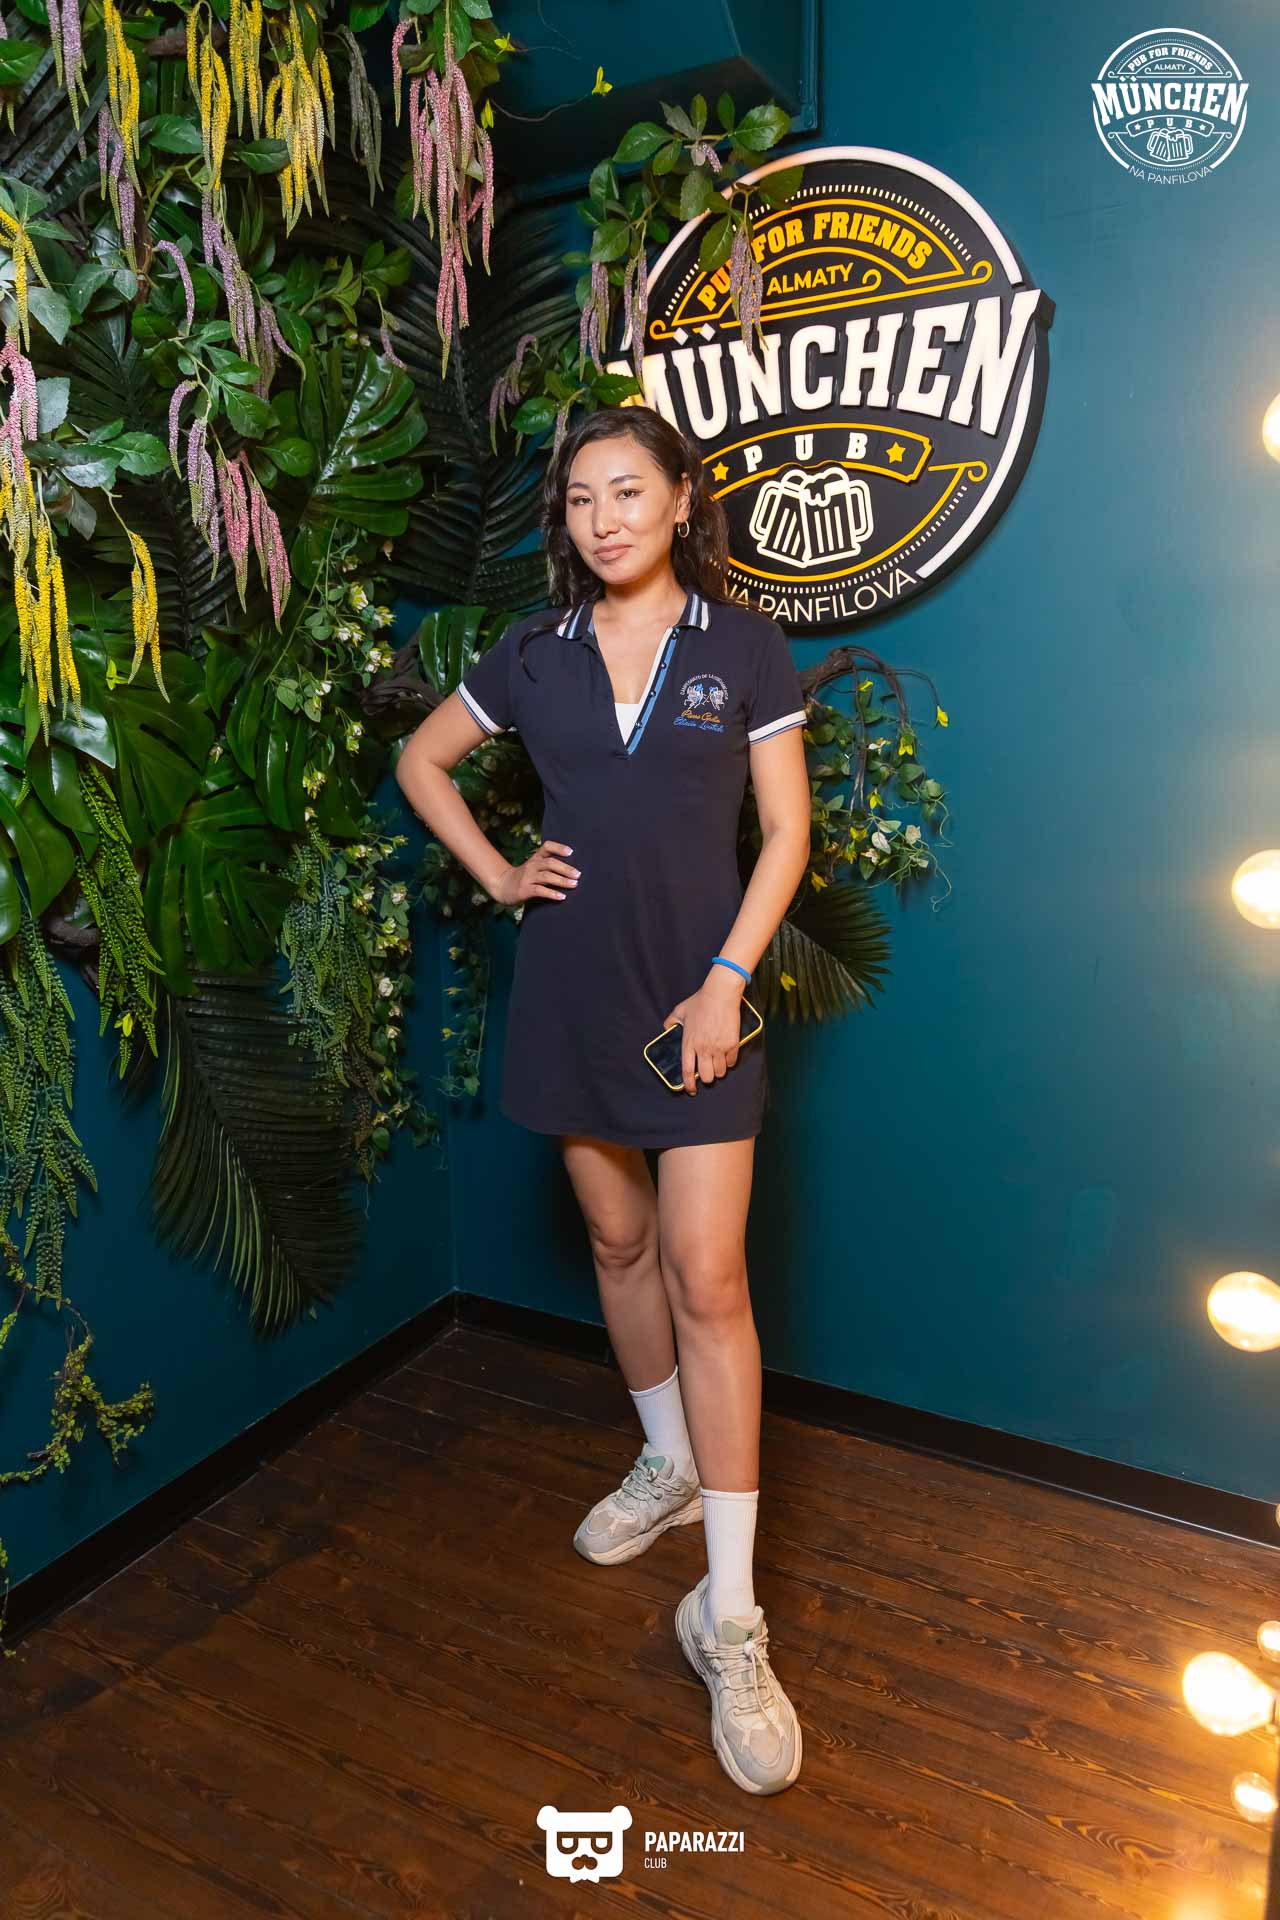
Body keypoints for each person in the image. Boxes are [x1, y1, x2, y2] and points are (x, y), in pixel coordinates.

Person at [395, 403, 813, 1796]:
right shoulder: (533, 652)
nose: (604, 519)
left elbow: (786, 830)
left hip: (699, 1000)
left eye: (628, 491)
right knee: (620, 1246)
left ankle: (730, 1618)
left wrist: (726, 981)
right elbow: (421, 762)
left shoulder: (743, 645)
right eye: (580, 499)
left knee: (708, 1275)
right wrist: (500, 873)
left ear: (682, 499)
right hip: (573, 991)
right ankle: (665, 1462)